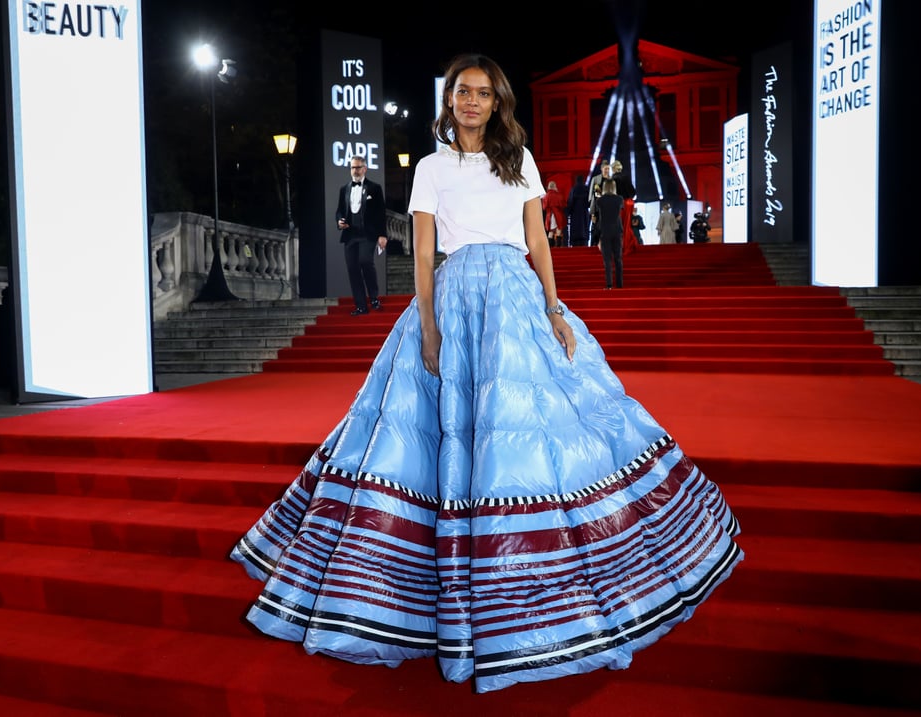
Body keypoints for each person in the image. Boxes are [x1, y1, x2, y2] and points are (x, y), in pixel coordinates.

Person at [230, 53, 742, 695]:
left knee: (527, 434)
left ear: (497, 103)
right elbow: (421, 252)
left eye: (482, 93)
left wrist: (555, 309)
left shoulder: (518, 162)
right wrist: (426, 324)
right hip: (450, 295)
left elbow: (538, 243)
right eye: (461, 92)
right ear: (450, 101)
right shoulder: (430, 168)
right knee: (432, 432)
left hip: (514, 297)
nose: (471, 101)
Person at [335, 155, 388, 315]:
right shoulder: (344, 189)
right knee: (352, 269)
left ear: (364, 168)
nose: (355, 171)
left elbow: (380, 212)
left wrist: (382, 235)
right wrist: (339, 222)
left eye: (358, 167)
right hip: (350, 235)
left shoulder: (374, 188)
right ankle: (360, 306)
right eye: (352, 167)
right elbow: (339, 210)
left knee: (365, 261)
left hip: (368, 234)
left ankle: (373, 298)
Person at [595, 178, 625, 288]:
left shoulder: (600, 200)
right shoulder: (619, 199)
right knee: (618, 258)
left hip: (605, 230)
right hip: (617, 230)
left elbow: (599, 212)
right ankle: (620, 284)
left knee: (607, 259)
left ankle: (609, 284)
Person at [588, 160, 613, 246]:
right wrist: (592, 213)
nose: (607, 170)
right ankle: (594, 244)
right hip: (598, 207)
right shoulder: (596, 179)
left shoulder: (611, 179)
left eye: (608, 169)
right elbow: (592, 197)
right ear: (602, 169)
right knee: (596, 228)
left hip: (609, 208)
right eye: (605, 168)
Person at [566, 174, 590, 246]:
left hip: (575, 213)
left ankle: (575, 242)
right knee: (584, 227)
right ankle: (584, 241)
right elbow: (589, 201)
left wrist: (568, 212)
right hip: (584, 211)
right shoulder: (586, 188)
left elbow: (570, 201)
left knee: (576, 229)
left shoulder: (574, 189)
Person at [541, 180, 566, 246]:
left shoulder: (546, 196)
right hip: (558, 215)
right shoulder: (558, 195)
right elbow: (563, 205)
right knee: (558, 230)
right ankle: (558, 247)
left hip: (550, 215)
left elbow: (544, 207)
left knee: (551, 232)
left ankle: (551, 248)